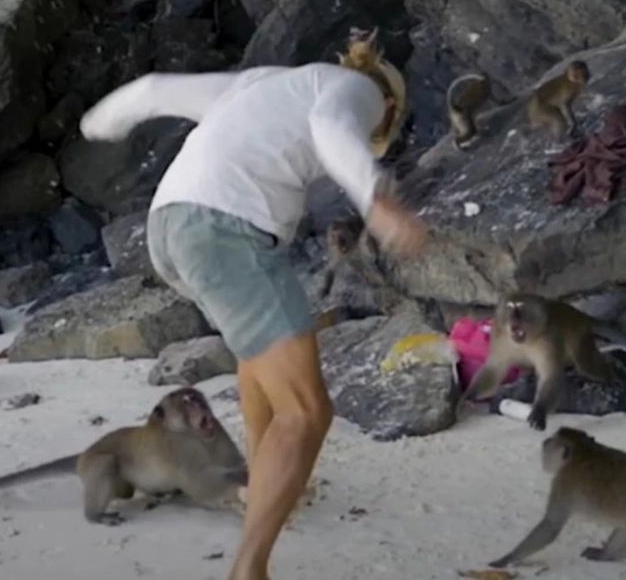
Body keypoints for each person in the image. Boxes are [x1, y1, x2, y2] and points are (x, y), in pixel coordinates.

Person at [78, 37, 429, 580]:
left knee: (260, 363)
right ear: (389, 106)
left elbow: (153, 90)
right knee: (308, 412)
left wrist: (99, 122)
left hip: (168, 229)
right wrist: (375, 199)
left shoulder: (262, 83)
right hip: (223, 230)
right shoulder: (358, 90)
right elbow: (333, 129)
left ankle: (259, 484)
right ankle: (250, 569)